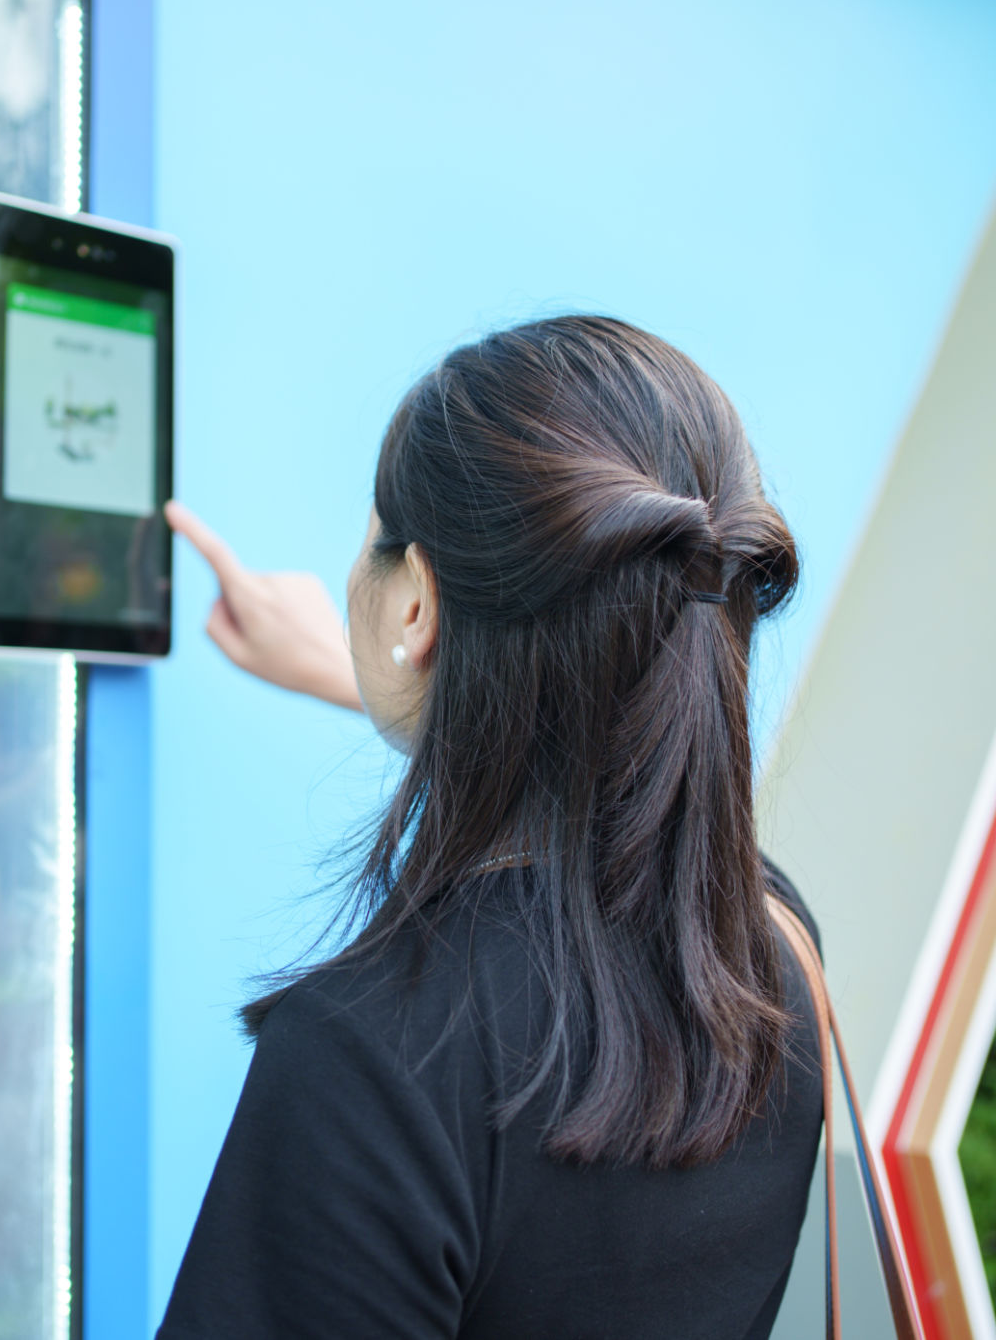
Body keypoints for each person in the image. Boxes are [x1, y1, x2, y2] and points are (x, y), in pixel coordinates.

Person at [158, 316, 822, 1340]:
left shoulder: (369, 1059)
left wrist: (403, 680)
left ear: (416, 604)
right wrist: (376, 676)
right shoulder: (771, 946)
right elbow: (598, 755)